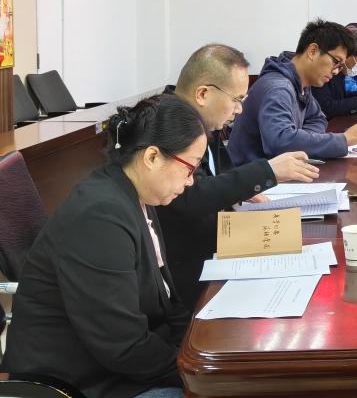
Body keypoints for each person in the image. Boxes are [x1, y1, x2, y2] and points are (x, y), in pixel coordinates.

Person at [1, 94, 207, 398]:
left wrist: (197, 351)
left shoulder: (135, 194)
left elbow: (166, 297)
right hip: (82, 383)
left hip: (119, 368)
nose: (190, 181)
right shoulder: (100, 217)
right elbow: (123, 346)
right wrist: (197, 374)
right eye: (190, 168)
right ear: (152, 157)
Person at [159, 44, 320, 307]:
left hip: (219, 244)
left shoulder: (201, 121)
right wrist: (266, 172)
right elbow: (188, 197)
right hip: (188, 270)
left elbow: (219, 174)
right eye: (236, 100)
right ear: (203, 94)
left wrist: (242, 190)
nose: (239, 110)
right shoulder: (167, 126)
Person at [228, 19, 357, 165]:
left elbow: (318, 118)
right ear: (313, 51)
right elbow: (280, 142)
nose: (336, 71)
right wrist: (343, 140)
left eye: (340, 66)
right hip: (252, 175)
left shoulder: (301, 83)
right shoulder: (278, 88)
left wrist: (301, 140)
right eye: (336, 62)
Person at [312, 27, 357, 118]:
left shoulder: (341, 73)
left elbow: (341, 98)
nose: (335, 71)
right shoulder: (323, 71)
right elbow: (324, 107)